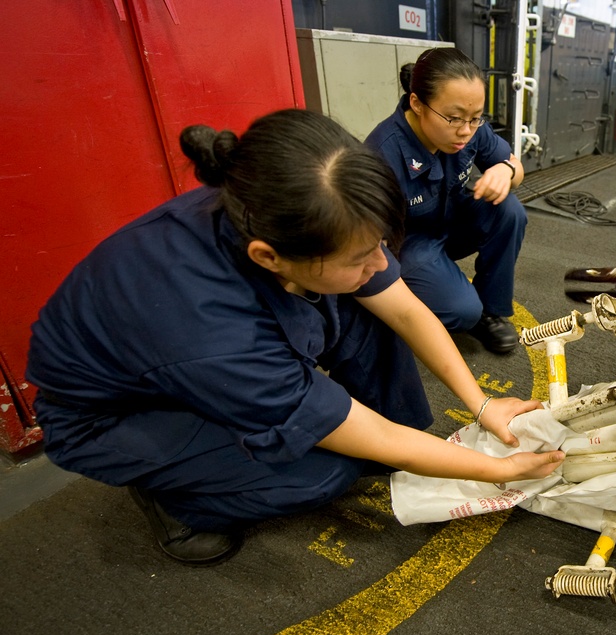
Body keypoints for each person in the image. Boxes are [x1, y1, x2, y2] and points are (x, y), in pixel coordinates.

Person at [26, 109, 563, 567]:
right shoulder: (213, 329)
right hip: (114, 416)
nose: (380, 263)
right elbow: (358, 432)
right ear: (268, 256)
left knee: (368, 314)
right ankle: (177, 496)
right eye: (361, 257)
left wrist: (482, 403)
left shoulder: (290, 212)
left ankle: (402, 442)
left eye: (381, 243)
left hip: (193, 356)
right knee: (327, 470)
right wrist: (498, 470)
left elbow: (403, 309)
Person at [365, 47, 526, 355]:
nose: (465, 131)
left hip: (451, 220)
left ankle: (491, 311)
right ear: (417, 103)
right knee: (462, 311)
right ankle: (447, 303)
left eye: (475, 118)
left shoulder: (470, 127)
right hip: (407, 244)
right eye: (453, 118)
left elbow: (516, 167)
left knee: (509, 210)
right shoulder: (381, 154)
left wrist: (505, 171)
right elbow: (370, 251)